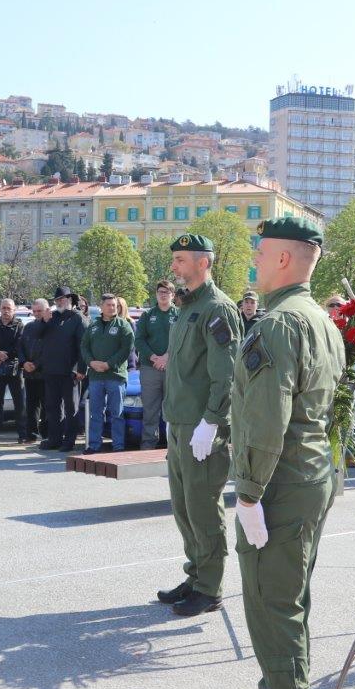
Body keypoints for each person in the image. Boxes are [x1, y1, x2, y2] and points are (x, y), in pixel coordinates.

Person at [225, 217, 344, 689]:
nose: (253, 259)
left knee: (272, 599)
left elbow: (266, 416)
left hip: (280, 480)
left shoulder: (278, 324)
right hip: (311, 472)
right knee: (291, 593)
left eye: (260, 250)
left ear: (282, 259)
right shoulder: (321, 319)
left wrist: (248, 492)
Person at [157, 234, 242, 618]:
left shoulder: (217, 309)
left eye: (180, 260)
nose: (174, 267)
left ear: (202, 263)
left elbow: (225, 375)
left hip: (201, 425)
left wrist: (212, 421)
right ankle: (196, 574)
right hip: (180, 422)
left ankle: (209, 588)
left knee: (204, 508)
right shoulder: (187, 306)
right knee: (183, 506)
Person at [81, 293, 134, 454]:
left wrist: (108, 364)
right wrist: (91, 362)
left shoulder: (123, 325)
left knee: (116, 413)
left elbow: (126, 348)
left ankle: (118, 446)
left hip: (115, 376)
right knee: (96, 413)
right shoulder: (93, 325)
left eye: (114, 305)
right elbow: (84, 347)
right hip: (96, 376)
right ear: (101, 307)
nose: (112, 308)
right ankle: (94, 445)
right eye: (109, 305)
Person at [36, 286, 87, 451]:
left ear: (70, 299)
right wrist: (43, 321)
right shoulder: (52, 316)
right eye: (57, 300)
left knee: (71, 408)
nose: (59, 302)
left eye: (63, 299)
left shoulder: (78, 318)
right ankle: (54, 439)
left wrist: (81, 369)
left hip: (69, 371)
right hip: (51, 370)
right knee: (52, 407)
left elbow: (83, 346)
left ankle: (69, 440)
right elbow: (37, 335)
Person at [135, 280, 177, 450]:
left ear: (173, 295)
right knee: (150, 409)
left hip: (173, 367)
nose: (163, 294)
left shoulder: (180, 314)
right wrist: (154, 357)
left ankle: (173, 445)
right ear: (156, 294)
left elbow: (183, 339)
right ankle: (148, 444)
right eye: (160, 291)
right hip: (149, 368)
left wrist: (167, 357)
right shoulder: (147, 315)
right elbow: (139, 340)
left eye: (167, 292)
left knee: (173, 408)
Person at [0, 298, 27, 442]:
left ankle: (23, 434)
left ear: (14, 310)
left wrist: (2, 356)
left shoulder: (20, 326)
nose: (6, 311)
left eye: (9, 308)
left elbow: (20, 346)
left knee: (20, 402)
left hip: (14, 368)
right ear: (0, 309)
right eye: (3, 308)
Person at [19, 299, 48, 443]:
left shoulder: (52, 327)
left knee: (47, 406)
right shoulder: (28, 327)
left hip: (45, 373)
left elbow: (50, 350)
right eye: (34, 311)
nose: (36, 314)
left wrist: (36, 364)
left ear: (46, 310)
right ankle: (31, 434)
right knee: (31, 406)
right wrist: (24, 362)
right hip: (29, 374)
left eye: (39, 311)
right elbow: (21, 346)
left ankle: (46, 434)